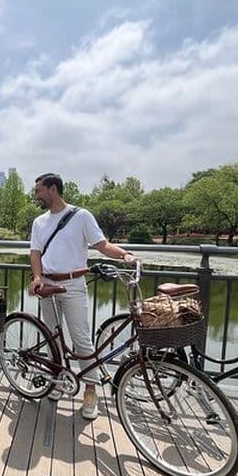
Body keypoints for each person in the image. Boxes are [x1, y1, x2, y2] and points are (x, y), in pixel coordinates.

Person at [28, 173, 138, 420]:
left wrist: (125, 255)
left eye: (39, 190)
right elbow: (34, 253)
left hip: (73, 284)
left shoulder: (81, 216)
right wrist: (36, 278)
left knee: (81, 339)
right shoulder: (39, 222)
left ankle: (90, 390)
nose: (36, 195)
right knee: (51, 338)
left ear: (52, 189)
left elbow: (102, 245)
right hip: (46, 283)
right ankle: (57, 380)